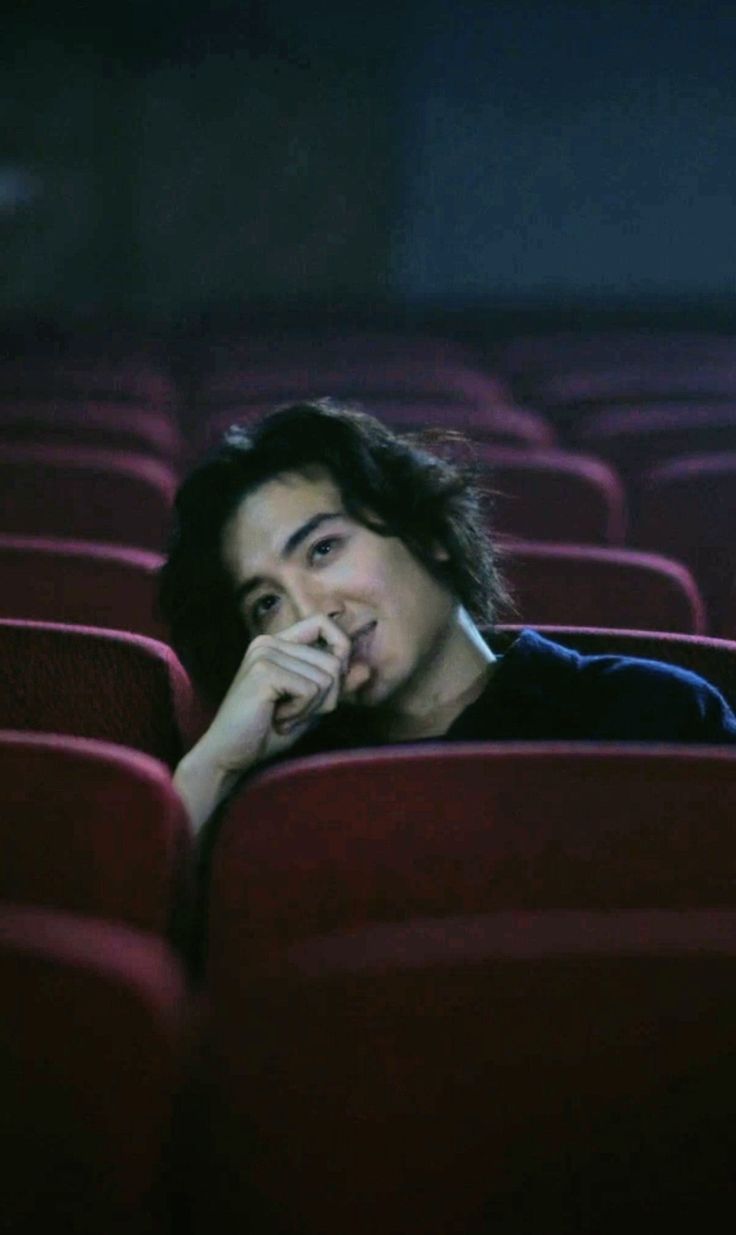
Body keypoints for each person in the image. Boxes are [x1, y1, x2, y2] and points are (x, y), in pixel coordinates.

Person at [159, 399, 736, 837]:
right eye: (267, 602)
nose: (311, 612)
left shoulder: (656, 714)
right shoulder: (277, 792)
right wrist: (210, 767)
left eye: (323, 549)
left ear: (427, 531)